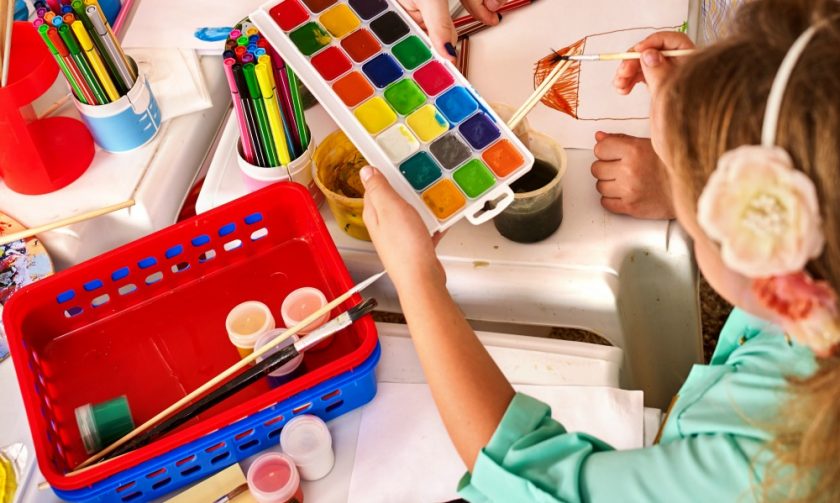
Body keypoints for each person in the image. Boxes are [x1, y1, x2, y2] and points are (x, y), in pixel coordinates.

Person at [360, 0, 840, 500]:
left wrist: (417, 278)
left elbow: (532, 481)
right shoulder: (812, 283)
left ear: (765, 258)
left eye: (694, 199)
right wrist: (711, 108)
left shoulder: (766, 464)